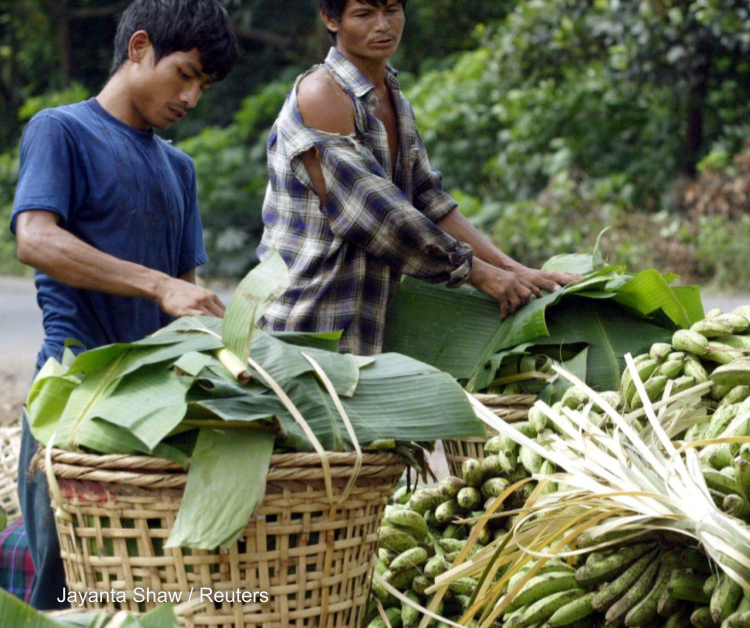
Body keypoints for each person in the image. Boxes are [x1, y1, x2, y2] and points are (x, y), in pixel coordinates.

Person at [9, 0, 237, 609]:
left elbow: (183, 297)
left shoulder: (179, 169)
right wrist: (157, 284)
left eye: (204, 86)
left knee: (149, 598)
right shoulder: (61, 130)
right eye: (184, 74)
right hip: (74, 407)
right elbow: (35, 237)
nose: (190, 98)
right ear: (139, 48)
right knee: (67, 598)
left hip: (156, 418)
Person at [257, 0, 581, 356]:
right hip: (308, 324)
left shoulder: (393, 99)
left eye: (392, 10)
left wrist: (515, 269)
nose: (382, 26)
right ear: (331, 19)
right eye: (364, 15)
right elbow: (379, 217)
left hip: (366, 327)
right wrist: (482, 275)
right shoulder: (321, 96)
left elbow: (429, 200)